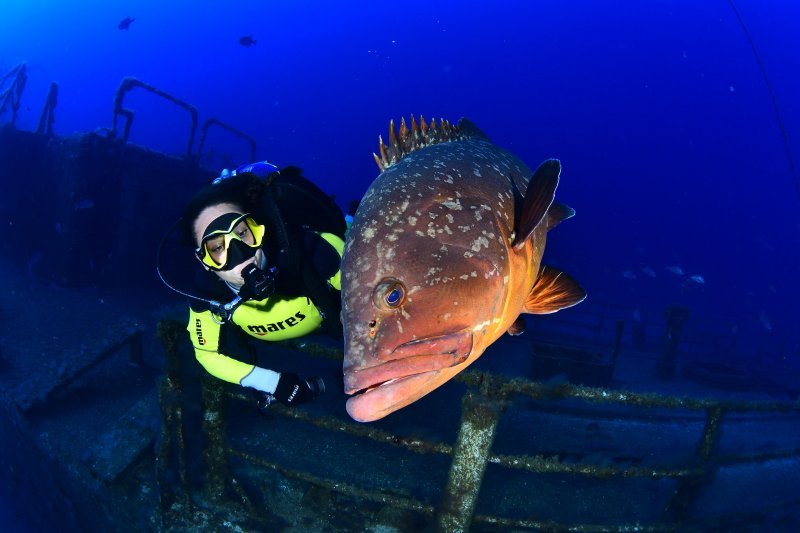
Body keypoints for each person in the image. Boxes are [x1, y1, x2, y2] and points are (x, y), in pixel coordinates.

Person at [175, 162, 346, 407]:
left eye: (243, 233)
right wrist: (271, 383)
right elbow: (206, 354)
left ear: (259, 228)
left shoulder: (320, 252)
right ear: (203, 261)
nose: (241, 254)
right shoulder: (207, 295)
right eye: (218, 248)